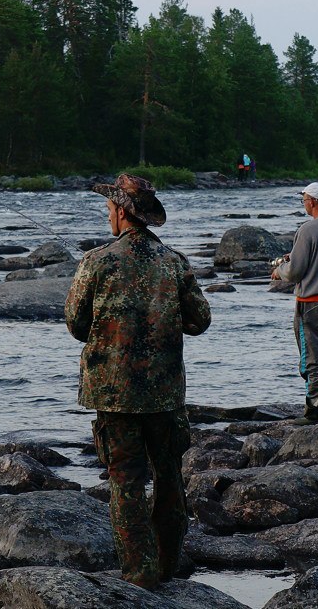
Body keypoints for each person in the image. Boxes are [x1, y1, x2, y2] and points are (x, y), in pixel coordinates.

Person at [65, 173, 212, 589]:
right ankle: (167, 565)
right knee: (169, 477)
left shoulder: (96, 261)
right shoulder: (174, 262)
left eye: (109, 208)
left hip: (113, 394)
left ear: (121, 212)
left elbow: (76, 325)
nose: (106, 214)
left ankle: (139, 573)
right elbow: (200, 320)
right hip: (165, 393)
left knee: (126, 481)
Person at [270, 181, 318, 424]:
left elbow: (294, 273)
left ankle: (317, 412)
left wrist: (280, 270)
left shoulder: (307, 229)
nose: (304, 203)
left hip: (311, 303)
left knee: (313, 358)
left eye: (304, 199)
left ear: (313, 202)